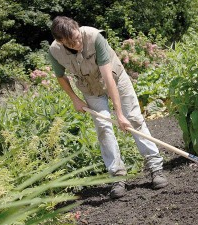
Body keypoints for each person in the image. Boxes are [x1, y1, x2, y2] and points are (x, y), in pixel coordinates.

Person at [48, 16, 168, 199]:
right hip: (90, 87)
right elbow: (61, 77)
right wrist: (74, 99)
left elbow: (108, 78)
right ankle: (117, 176)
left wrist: (119, 114)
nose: (79, 43)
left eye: (78, 37)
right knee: (104, 128)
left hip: (115, 78)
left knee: (133, 118)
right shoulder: (55, 51)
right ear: (61, 41)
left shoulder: (95, 37)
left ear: (78, 28)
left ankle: (155, 168)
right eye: (73, 42)